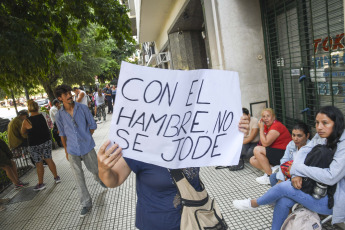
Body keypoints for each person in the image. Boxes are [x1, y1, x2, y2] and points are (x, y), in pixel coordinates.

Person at [97, 116, 250, 230]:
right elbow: (113, 181)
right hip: (156, 224)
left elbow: (224, 149)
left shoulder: (194, 134)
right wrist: (104, 168)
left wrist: (235, 131)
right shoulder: (138, 144)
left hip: (197, 218)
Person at [233, 106, 345, 229]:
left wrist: (298, 169)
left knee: (285, 187)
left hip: (332, 200)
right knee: (283, 200)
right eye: (317, 123)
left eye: (325, 123)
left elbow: (331, 176)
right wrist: (297, 174)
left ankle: (255, 203)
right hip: (314, 188)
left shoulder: (343, 143)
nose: (319, 127)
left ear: (336, 123)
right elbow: (304, 152)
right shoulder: (321, 137)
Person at [54, 84, 107, 217]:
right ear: (60, 98)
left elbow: (92, 125)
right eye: (65, 94)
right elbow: (62, 134)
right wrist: (66, 151)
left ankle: (98, 178)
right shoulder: (59, 115)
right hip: (72, 150)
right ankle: (86, 203)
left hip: (87, 146)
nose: (69, 96)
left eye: (69, 93)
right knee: (78, 178)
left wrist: (87, 137)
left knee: (95, 169)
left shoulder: (82, 108)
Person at [21, 100, 61, 191]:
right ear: (37, 107)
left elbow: (22, 132)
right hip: (46, 140)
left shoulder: (26, 121)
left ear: (29, 109)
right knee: (49, 159)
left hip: (34, 144)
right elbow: (50, 126)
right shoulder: (44, 115)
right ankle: (56, 177)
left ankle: (40, 183)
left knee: (38, 163)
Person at [250, 108, 291, 185]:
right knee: (253, 160)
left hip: (284, 154)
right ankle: (275, 169)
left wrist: (261, 129)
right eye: (264, 116)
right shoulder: (267, 127)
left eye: (268, 116)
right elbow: (263, 143)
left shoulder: (276, 126)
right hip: (275, 152)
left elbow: (265, 143)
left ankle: (269, 176)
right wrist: (262, 129)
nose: (266, 118)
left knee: (257, 150)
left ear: (273, 117)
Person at [269, 122, 310, 186]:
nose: (295, 139)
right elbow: (283, 161)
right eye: (293, 135)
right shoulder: (291, 144)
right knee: (273, 177)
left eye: (299, 136)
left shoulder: (311, 149)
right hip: (288, 173)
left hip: (301, 177)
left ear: (307, 136)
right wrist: (281, 179)